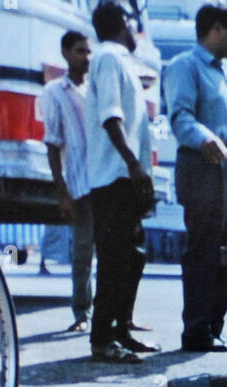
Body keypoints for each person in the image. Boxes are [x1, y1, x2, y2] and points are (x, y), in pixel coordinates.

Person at [164, 4, 227, 352]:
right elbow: (180, 116)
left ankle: (214, 326)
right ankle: (196, 330)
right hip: (201, 167)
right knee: (204, 250)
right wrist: (204, 137)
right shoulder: (186, 66)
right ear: (215, 30)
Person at [85, 1, 157, 364]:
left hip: (127, 179)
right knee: (114, 260)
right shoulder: (109, 58)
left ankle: (121, 330)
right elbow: (110, 118)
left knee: (133, 257)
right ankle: (102, 339)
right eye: (133, 23)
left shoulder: (121, 62)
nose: (136, 31)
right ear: (123, 23)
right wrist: (133, 164)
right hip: (114, 177)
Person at [41, 30, 94, 332]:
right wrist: (61, 192)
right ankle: (81, 312)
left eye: (88, 52)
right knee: (83, 251)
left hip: (104, 180)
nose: (85, 58)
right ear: (64, 53)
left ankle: (113, 314)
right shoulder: (54, 92)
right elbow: (52, 143)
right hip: (78, 182)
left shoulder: (95, 89)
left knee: (112, 251)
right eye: (79, 51)